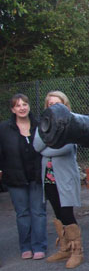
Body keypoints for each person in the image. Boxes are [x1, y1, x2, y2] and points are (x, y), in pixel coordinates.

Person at [33, 91, 83, 269]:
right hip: (49, 178)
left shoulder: (72, 124)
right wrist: (46, 146)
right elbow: (36, 145)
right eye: (50, 104)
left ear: (65, 105)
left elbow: (64, 149)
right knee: (57, 213)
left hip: (64, 177)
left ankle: (77, 251)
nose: (53, 106)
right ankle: (65, 248)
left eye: (57, 103)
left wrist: (45, 148)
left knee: (67, 213)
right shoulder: (43, 124)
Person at [0, 94, 47, 260]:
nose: (22, 108)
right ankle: (26, 247)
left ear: (28, 106)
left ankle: (39, 246)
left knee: (39, 212)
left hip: (37, 177)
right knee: (23, 214)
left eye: (24, 104)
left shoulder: (40, 125)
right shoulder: (4, 129)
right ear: (13, 109)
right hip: (15, 178)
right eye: (18, 105)